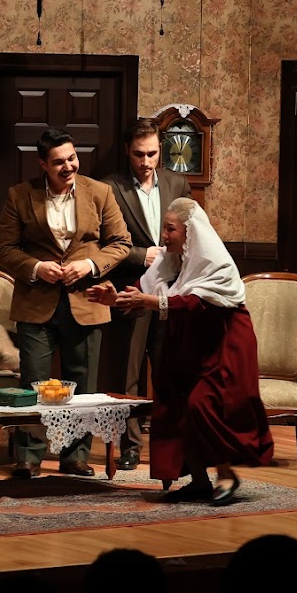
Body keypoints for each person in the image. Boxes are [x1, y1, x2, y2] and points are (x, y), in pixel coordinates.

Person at [86, 197, 271, 505]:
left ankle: (226, 476)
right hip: (187, 342)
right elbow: (143, 292)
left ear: (190, 231)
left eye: (170, 229)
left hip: (223, 343)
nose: (164, 236)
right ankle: (199, 481)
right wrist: (114, 298)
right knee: (175, 404)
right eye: (164, 228)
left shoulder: (217, 264)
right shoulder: (169, 260)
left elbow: (195, 303)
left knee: (202, 404)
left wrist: (150, 302)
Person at [0, 127, 132, 478]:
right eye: (58, 162)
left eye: (72, 158)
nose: (68, 166)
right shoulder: (20, 195)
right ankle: (28, 457)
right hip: (36, 303)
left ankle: (75, 456)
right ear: (43, 164)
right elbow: (3, 249)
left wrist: (90, 265)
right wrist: (37, 267)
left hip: (87, 301)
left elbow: (121, 242)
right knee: (33, 384)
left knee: (82, 385)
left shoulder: (100, 192)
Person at [101, 117, 193, 470]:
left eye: (152, 154)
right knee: (128, 371)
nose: (146, 161)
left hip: (170, 291)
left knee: (169, 369)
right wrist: (142, 255)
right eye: (139, 154)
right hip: (131, 288)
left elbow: (192, 231)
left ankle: (169, 445)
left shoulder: (176, 183)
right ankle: (129, 446)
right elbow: (102, 242)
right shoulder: (109, 187)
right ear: (128, 151)